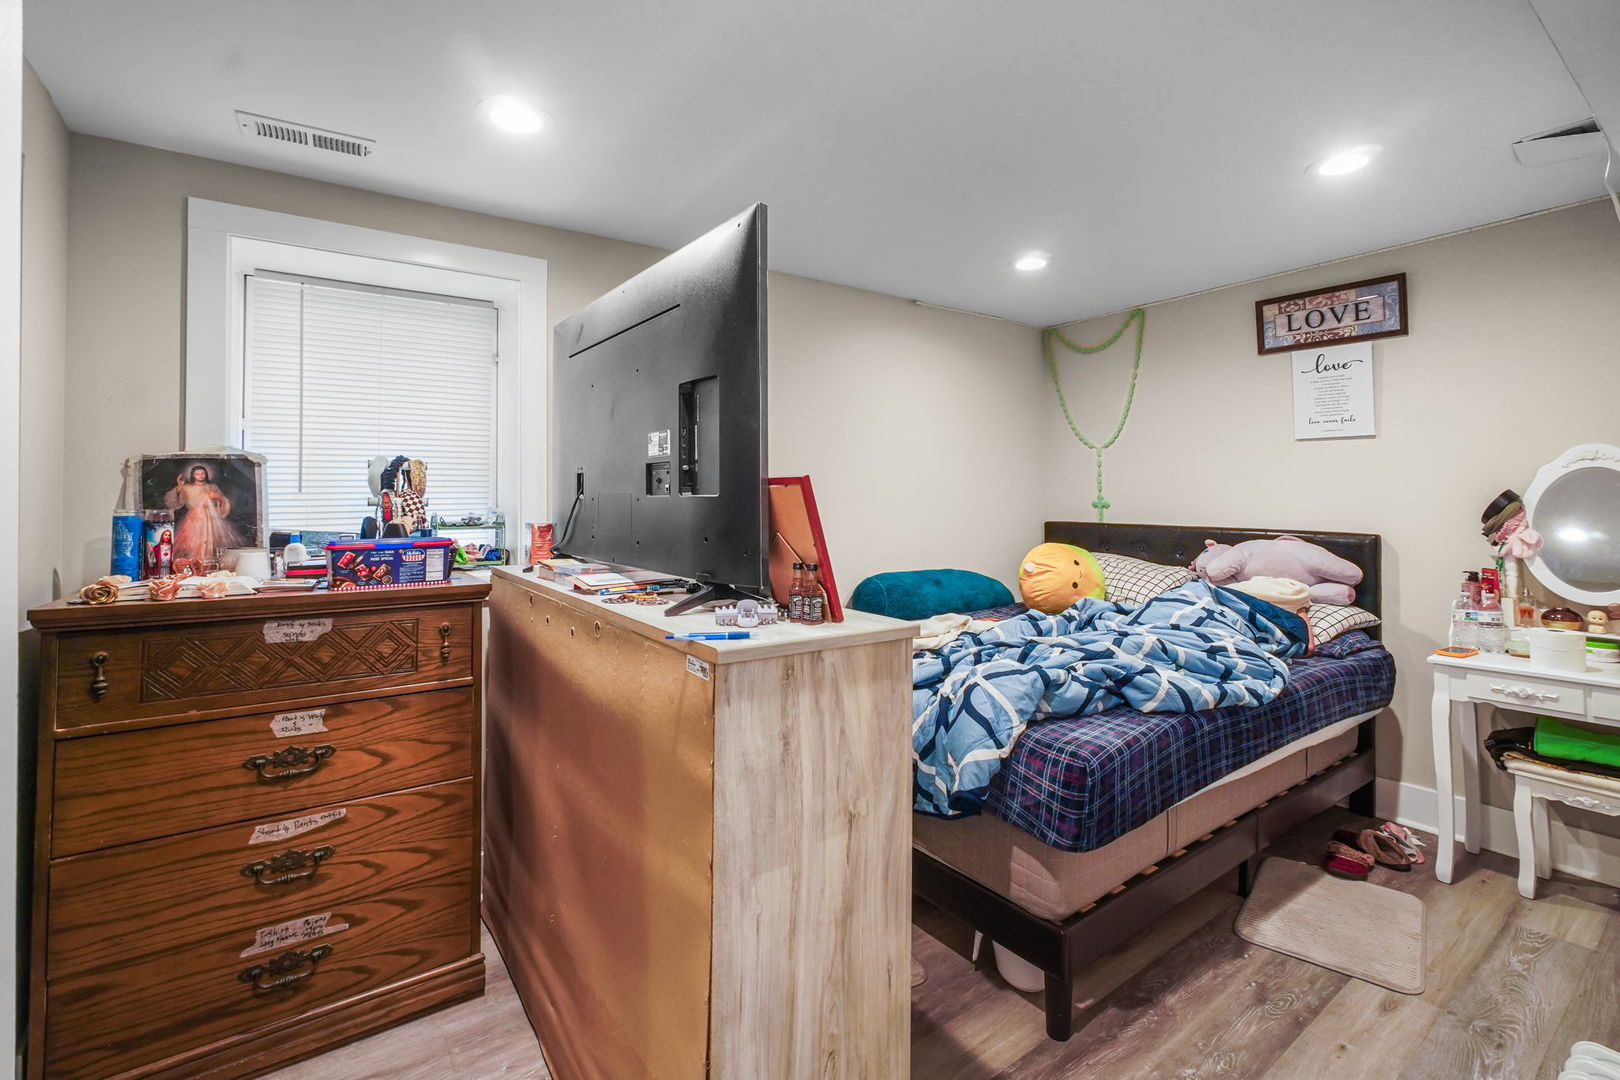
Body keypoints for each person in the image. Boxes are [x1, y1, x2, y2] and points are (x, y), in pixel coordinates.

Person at [163, 464, 242, 564]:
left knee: (214, 542)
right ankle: (195, 566)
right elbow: (172, 501)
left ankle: (211, 566)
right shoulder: (187, 488)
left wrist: (218, 496)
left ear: (206, 474)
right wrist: (180, 486)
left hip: (212, 519)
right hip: (194, 520)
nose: (200, 476)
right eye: (197, 474)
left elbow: (224, 500)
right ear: (192, 475)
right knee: (193, 544)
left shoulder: (212, 487)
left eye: (202, 473)